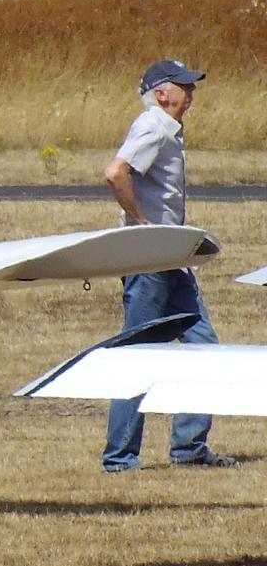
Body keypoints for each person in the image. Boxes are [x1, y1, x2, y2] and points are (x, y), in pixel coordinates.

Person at [101, 58, 236, 472]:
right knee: (138, 354)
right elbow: (115, 172)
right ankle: (120, 458)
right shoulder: (153, 126)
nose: (191, 94)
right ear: (161, 93)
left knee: (204, 348)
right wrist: (142, 226)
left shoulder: (169, 132)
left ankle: (189, 448)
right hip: (150, 260)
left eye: (191, 86)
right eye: (184, 87)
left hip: (173, 261)